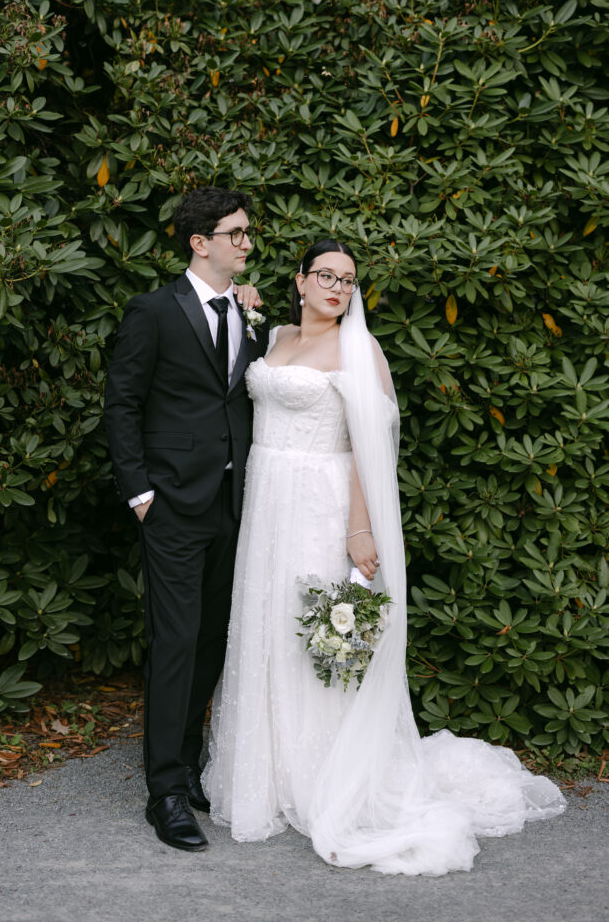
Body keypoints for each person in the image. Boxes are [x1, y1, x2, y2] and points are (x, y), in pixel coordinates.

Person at [203, 238, 566, 875]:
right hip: (266, 504)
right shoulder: (275, 333)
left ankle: (326, 776)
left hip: (322, 504)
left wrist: (360, 532)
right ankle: (267, 771)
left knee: (312, 635)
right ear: (301, 280)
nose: (337, 288)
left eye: (347, 279)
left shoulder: (360, 349)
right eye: (325, 276)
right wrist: (240, 300)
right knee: (265, 625)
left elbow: (374, 451)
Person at [104, 187, 267, 852]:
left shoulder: (247, 313)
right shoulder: (153, 311)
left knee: (210, 642)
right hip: (171, 505)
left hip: (236, 506)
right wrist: (139, 491)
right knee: (175, 642)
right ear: (199, 242)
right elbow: (121, 403)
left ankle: (191, 766)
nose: (246, 243)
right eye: (234, 234)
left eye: (246, 233)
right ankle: (164, 792)